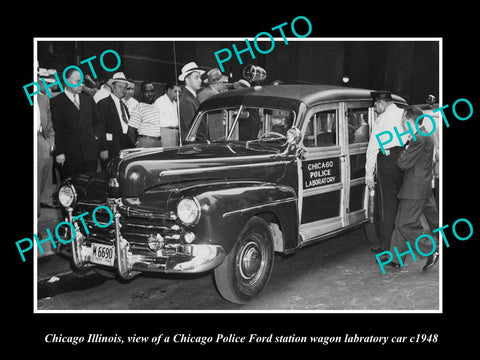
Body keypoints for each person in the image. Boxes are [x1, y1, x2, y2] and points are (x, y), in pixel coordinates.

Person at [385, 106, 437, 270]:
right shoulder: (425, 135)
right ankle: (396, 258)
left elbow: (402, 163)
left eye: (403, 120)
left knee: (405, 224)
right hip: (419, 185)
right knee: (401, 220)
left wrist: (402, 152)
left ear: (410, 120)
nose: (402, 123)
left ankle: (431, 249)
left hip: (414, 188)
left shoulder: (418, 139)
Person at [365, 91, 405, 255]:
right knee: (400, 205)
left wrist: (369, 174)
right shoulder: (404, 113)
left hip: (386, 162)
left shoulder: (381, 119)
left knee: (387, 206)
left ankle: (387, 248)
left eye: (375, 105)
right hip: (403, 160)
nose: (375, 108)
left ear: (382, 102)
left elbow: (373, 148)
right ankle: (396, 247)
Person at [51, 68, 107, 180]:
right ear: (66, 81)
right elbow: (56, 128)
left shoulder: (89, 100)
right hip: (69, 155)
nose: (81, 85)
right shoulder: (57, 102)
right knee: (70, 188)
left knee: (89, 187)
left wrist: (99, 142)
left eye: (82, 81)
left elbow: (98, 123)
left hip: (90, 154)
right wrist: (59, 152)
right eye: (77, 81)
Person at [97, 72, 133, 166]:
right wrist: (103, 148)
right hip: (111, 147)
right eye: (120, 86)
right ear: (113, 87)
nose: (123, 90)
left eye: (125, 88)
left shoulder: (124, 106)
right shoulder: (103, 104)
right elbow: (100, 128)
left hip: (124, 145)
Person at [36, 68, 56, 214]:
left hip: (41, 138)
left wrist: (50, 141)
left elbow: (48, 123)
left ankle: (43, 201)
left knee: (44, 173)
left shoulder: (43, 98)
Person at [128, 81, 162, 148]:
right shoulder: (139, 108)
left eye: (152, 91)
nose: (150, 94)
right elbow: (131, 131)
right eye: (147, 91)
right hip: (145, 142)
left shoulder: (156, 107)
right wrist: (136, 144)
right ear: (142, 93)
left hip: (158, 142)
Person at [178, 62, 205, 142]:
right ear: (187, 80)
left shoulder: (192, 97)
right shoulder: (186, 100)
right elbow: (191, 128)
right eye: (196, 77)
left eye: (200, 77)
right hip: (193, 144)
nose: (200, 80)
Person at [154, 81, 181, 147]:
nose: (178, 94)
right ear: (169, 90)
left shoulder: (175, 103)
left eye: (179, 92)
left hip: (175, 133)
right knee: (167, 154)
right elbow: (155, 121)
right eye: (175, 91)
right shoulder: (160, 101)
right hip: (165, 133)